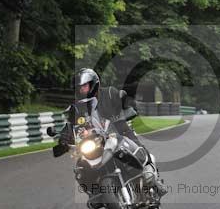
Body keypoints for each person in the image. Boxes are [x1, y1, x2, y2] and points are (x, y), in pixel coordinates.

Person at [60, 68, 167, 196]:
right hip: (95, 141)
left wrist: (127, 105)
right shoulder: (76, 108)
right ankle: (96, 193)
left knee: (138, 148)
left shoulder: (110, 93)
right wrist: (63, 138)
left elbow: (124, 101)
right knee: (81, 166)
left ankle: (155, 183)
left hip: (119, 131)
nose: (82, 89)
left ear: (94, 83)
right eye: (79, 87)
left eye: (85, 86)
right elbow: (70, 125)